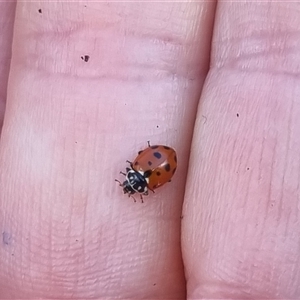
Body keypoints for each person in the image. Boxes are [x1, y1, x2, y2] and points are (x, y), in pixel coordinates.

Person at [0, 1, 299, 298]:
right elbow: (155, 165)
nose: (128, 183)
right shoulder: (146, 172)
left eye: (129, 182)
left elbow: (157, 165)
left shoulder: (147, 174)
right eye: (131, 183)